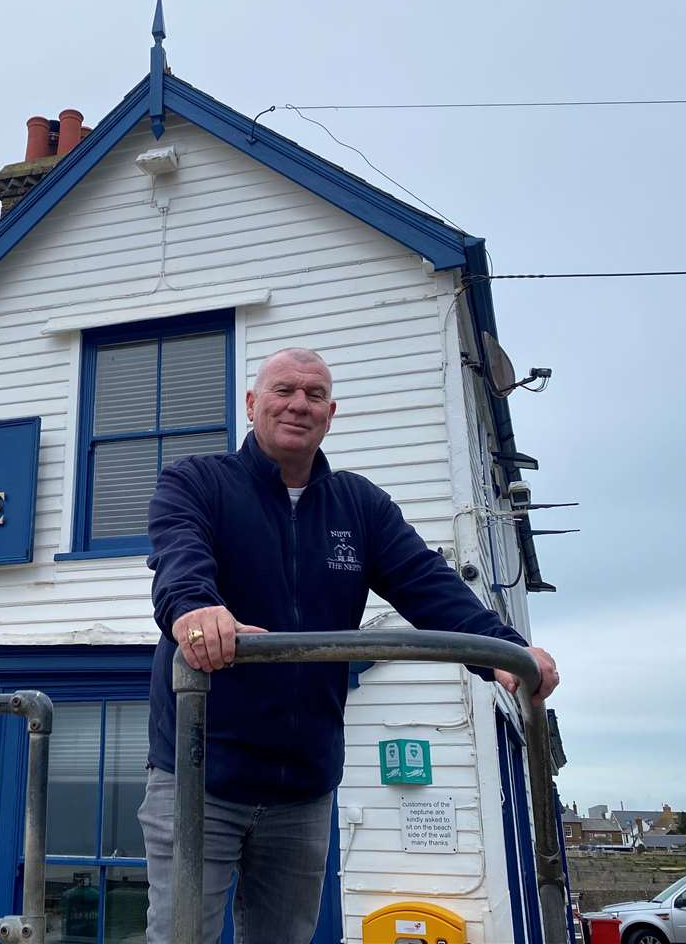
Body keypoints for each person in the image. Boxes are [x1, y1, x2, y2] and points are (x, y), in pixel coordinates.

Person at [137, 347, 560, 943]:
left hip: (302, 786)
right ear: (253, 404)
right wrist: (195, 610)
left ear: (330, 414)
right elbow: (179, 557)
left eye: (314, 396)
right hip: (200, 776)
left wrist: (502, 649)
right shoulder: (197, 482)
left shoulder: (359, 506)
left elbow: (427, 583)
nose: (298, 404)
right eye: (284, 391)